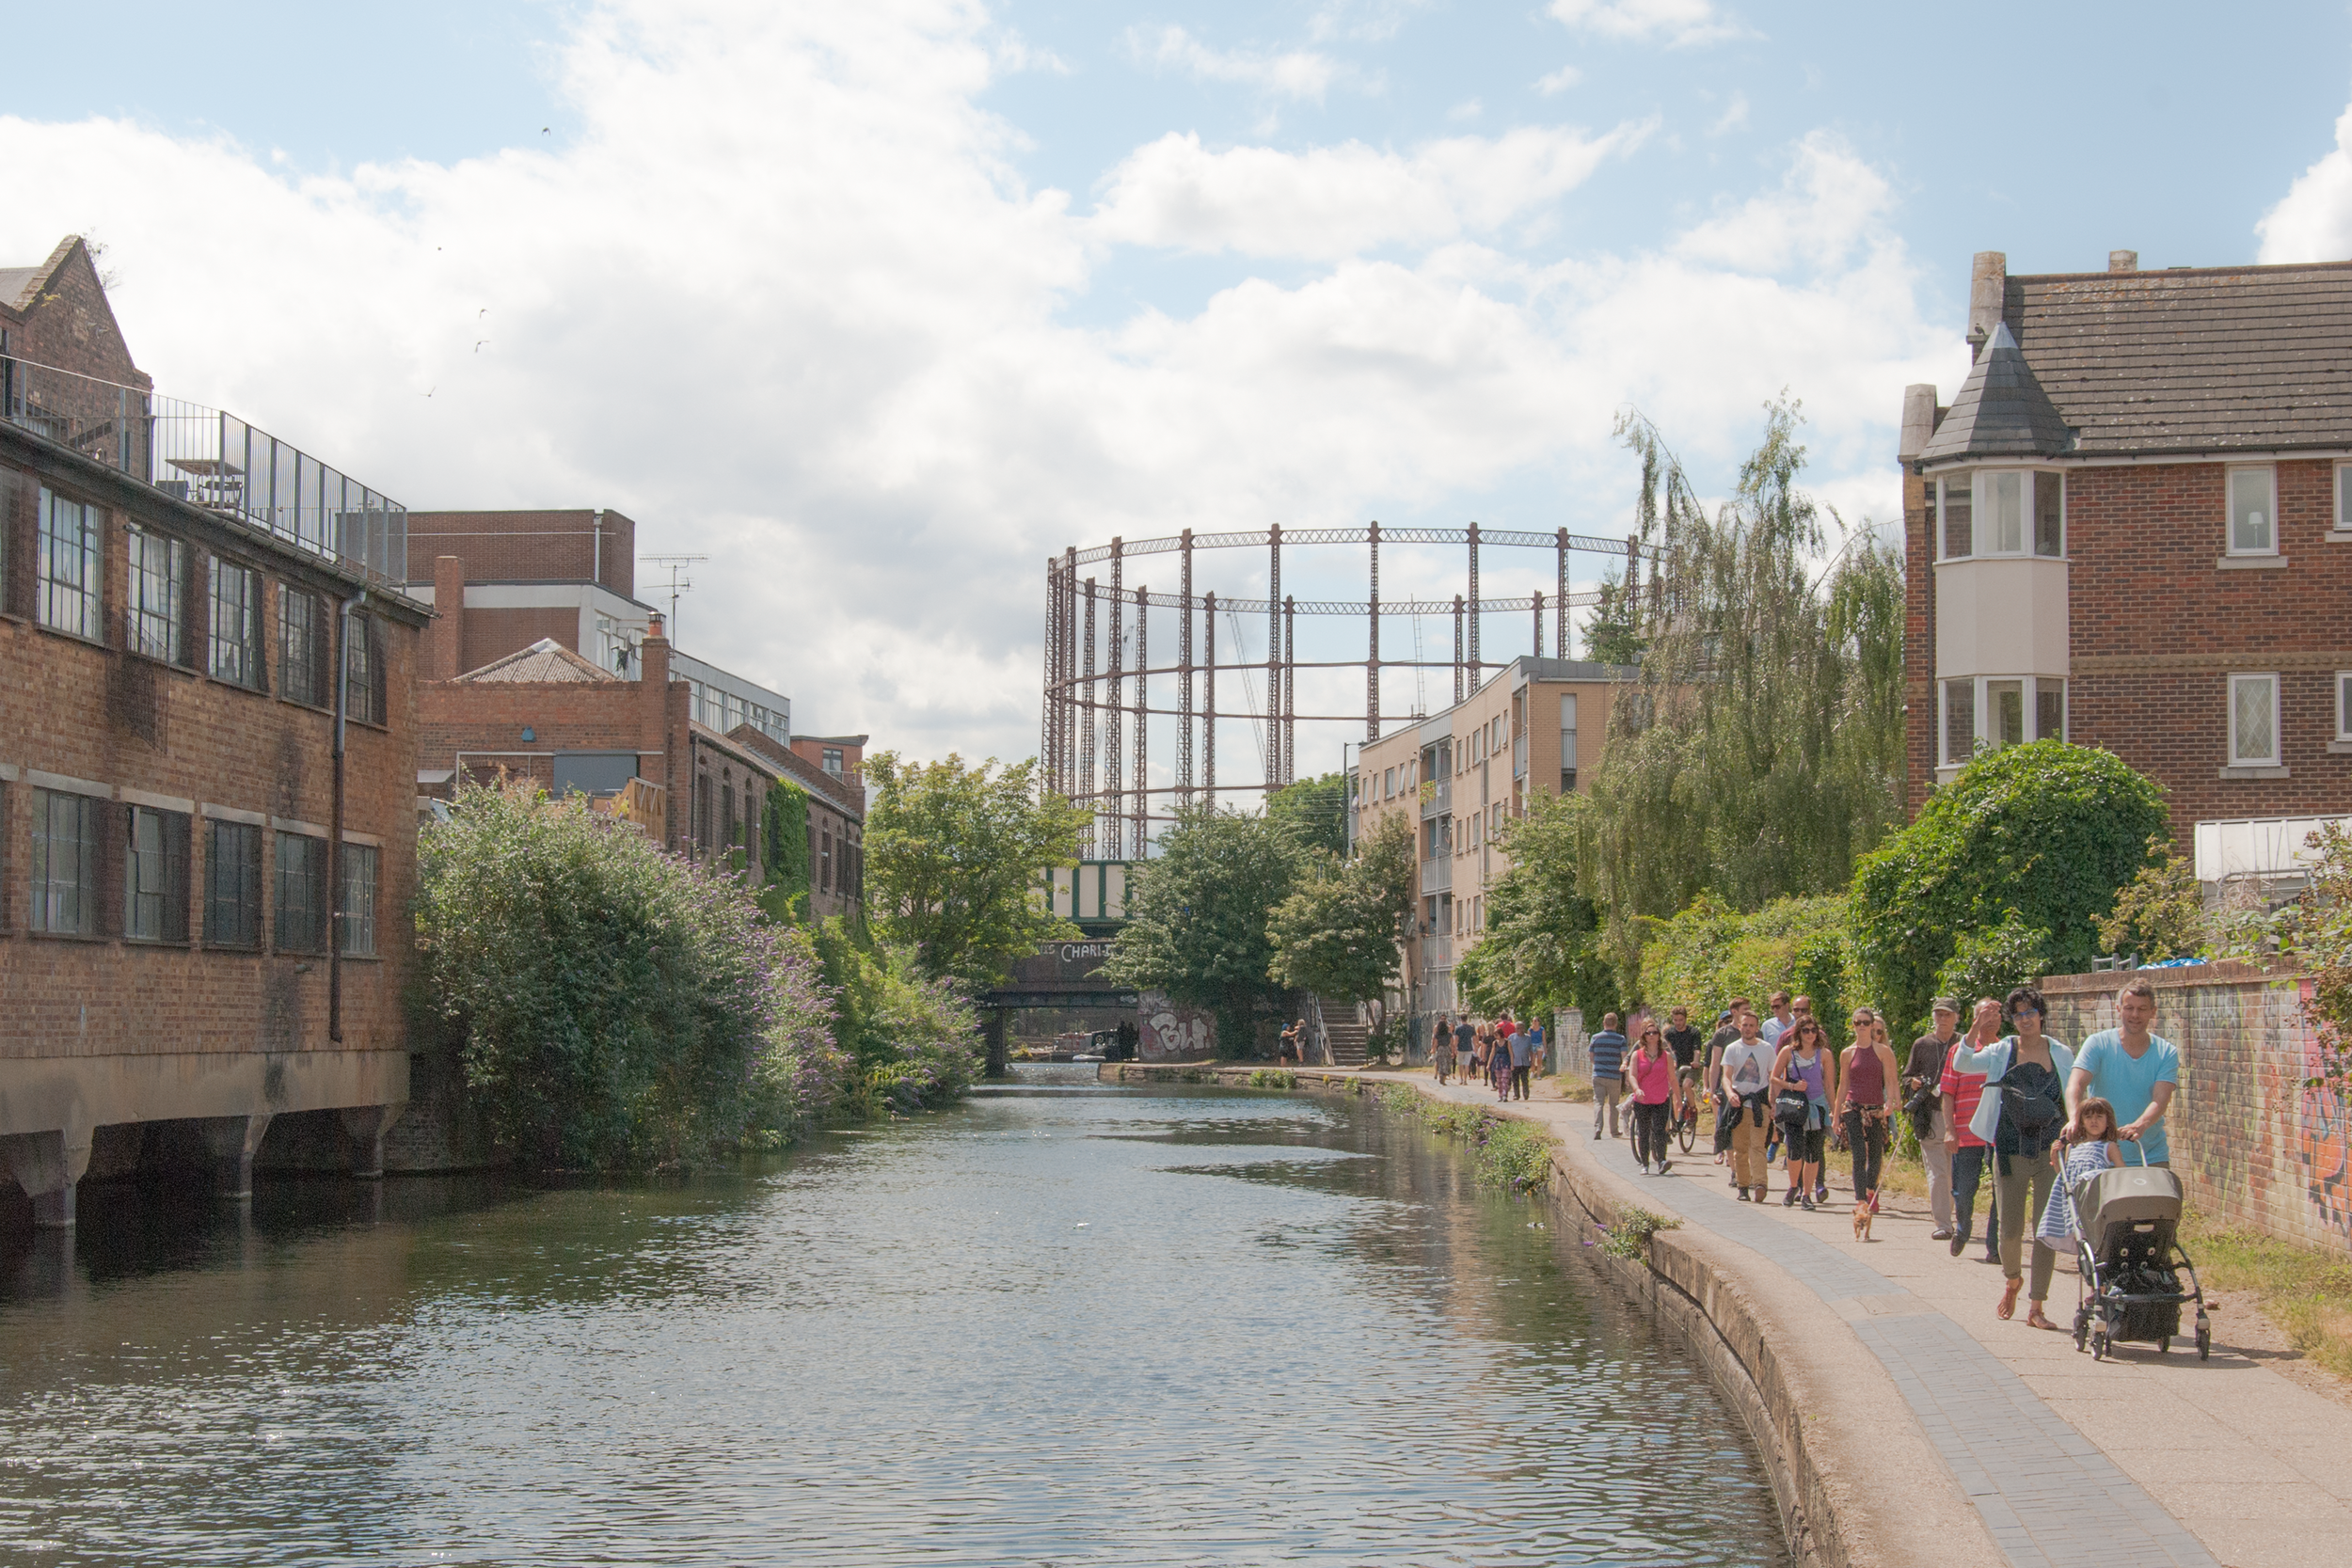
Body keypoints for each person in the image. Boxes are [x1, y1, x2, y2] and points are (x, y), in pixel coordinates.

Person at [1948, 986, 2075, 1331]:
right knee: (2011, 1228)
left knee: (2046, 1230)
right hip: (2008, 1147)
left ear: (2041, 1014)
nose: (2025, 1019)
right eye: (2018, 1014)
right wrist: (1976, 1025)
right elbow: (1962, 1062)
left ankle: (2037, 1305)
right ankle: (2013, 1278)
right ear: (2012, 1019)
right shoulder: (2003, 1049)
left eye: (2030, 1012)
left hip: (2051, 1149)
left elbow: (2076, 1091)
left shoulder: (2061, 1053)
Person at [2067, 978, 2180, 1166]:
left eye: (2142, 1009)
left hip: (2150, 1156)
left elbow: (2160, 1100)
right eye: (2129, 1008)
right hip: (2102, 1155)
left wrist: (2140, 1125)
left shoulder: (2166, 1052)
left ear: (2153, 1012)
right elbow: (2076, 1084)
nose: (2135, 1015)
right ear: (2119, 1009)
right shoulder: (2097, 1044)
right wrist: (2074, 1119)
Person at [1942, 998, 2005, 1263]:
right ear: (1974, 1019)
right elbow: (1947, 1092)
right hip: (1966, 1132)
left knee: (1999, 1189)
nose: (1991, 1019)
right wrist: (1949, 1130)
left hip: (1998, 1132)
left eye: (1996, 1014)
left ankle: (1994, 1247)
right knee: (1965, 1189)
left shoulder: (2007, 1050)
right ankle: (1963, 1227)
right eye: (1984, 1014)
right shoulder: (1960, 1051)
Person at [1907, 996, 1963, 1240]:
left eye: (1947, 1014)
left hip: (1960, 1116)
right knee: (1938, 1171)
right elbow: (1906, 1076)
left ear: (1957, 1017)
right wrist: (1914, 1082)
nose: (1942, 1019)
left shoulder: (1964, 1043)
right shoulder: (1922, 1044)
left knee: (1955, 1171)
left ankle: (1959, 1219)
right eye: (1938, 1014)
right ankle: (1944, 1224)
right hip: (1929, 1115)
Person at [2037, 1097, 2123, 1251]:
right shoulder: (2072, 1147)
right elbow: (2065, 1176)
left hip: (2094, 1198)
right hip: (2075, 1199)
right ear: (2081, 1121)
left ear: (2107, 1121)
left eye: (2099, 1117)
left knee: (2095, 1237)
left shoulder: (2108, 1147)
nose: (2093, 1121)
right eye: (2088, 1117)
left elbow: (2121, 1172)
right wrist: (2055, 1157)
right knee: (2080, 1237)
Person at [1840, 1006, 1900, 1216]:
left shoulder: (1883, 1051)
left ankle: (1870, 1190)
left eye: (1866, 1022)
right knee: (1858, 1154)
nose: (1862, 1027)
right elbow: (1843, 1083)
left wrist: (1892, 1102)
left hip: (1875, 1108)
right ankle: (1860, 1200)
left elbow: (1891, 1080)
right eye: (1858, 1023)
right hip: (1853, 1106)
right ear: (1854, 1025)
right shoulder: (1847, 1053)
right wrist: (1836, 1111)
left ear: (1873, 1025)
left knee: (1875, 1153)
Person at [1770, 1017, 1835, 1211]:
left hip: (1816, 1106)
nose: (1810, 1034)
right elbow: (1773, 1077)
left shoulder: (1824, 1055)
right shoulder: (1788, 1052)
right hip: (1794, 1106)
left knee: (1814, 1152)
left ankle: (1807, 1194)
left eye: (1813, 1030)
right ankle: (1793, 1186)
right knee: (1794, 1149)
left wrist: (1834, 1110)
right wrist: (1791, 1085)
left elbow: (1830, 1085)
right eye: (1805, 1030)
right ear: (1798, 1032)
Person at [1720, 1007, 1773, 1200]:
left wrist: (1773, 1103)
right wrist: (1730, 1093)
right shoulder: (1732, 1049)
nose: (1748, 1029)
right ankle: (1743, 1187)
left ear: (1757, 1027)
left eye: (1751, 1025)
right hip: (1739, 1105)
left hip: (1760, 1104)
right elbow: (1726, 1077)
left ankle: (1760, 1184)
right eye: (1745, 1025)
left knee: (1758, 1146)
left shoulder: (1766, 1049)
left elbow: (1772, 1076)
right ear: (1739, 1026)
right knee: (1740, 1149)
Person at [1626, 1017, 1678, 1174]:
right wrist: (1637, 1089)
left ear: (1658, 1035)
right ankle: (1645, 1163)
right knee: (1643, 1131)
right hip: (1642, 1099)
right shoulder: (1637, 1055)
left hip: (1661, 1098)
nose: (1652, 1035)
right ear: (1644, 1036)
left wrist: (1679, 1099)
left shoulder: (1666, 1056)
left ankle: (1662, 1160)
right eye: (1648, 1033)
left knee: (1660, 1130)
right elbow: (1632, 1075)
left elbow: (1672, 1078)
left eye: (1655, 1032)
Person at [1707, 1001, 1748, 1170]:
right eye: (1745, 1009)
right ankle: (1733, 1168)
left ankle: (1744, 1167)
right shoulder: (1722, 1034)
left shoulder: (1754, 1032)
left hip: (1749, 1086)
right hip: (1727, 1087)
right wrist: (1712, 1090)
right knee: (1729, 1127)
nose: (1748, 1011)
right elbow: (1715, 1064)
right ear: (1734, 1011)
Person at [1589, 1011, 1629, 1139]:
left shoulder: (1595, 1038)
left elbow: (1591, 1057)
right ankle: (1614, 1130)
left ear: (1604, 1023)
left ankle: (1598, 1128)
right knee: (1614, 1103)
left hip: (1599, 1075)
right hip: (1614, 1076)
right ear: (1616, 1024)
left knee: (1598, 1102)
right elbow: (1625, 1058)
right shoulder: (1620, 1039)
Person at [1506, 1016, 1535, 1101]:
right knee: (1515, 1080)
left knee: (1524, 1079)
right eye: (1516, 1028)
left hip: (1525, 1062)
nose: (1518, 1030)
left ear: (1523, 1028)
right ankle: (1516, 1094)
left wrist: (1532, 1062)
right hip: (1515, 1062)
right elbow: (1509, 1050)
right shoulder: (1511, 1037)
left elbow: (1531, 1051)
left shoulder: (1528, 1038)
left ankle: (1526, 1093)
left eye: (1519, 1028)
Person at [1454, 1014, 1476, 1085]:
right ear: (1467, 1019)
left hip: (1460, 1047)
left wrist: (1455, 1048)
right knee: (1467, 1064)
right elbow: (1475, 1038)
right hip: (1469, 1047)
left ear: (1461, 1019)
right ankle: (1466, 1080)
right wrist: (1475, 1047)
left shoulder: (1458, 1028)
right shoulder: (1471, 1028)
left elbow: (1456, 1039)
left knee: (1460, 1064)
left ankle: (1461, 1079)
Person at [1431, 1014, 1453, 1085]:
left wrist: (1433, 1049)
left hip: (1440, 1049)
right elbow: (1452, 1043)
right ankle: (1444, 1077)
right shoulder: (1449, 1035)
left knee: (1440, 1063)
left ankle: (1440, 1075)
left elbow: (1435, 1043)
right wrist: (1453, 1051)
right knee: (1446, 1063)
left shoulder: (1437, 1035)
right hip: (1447, 1049)